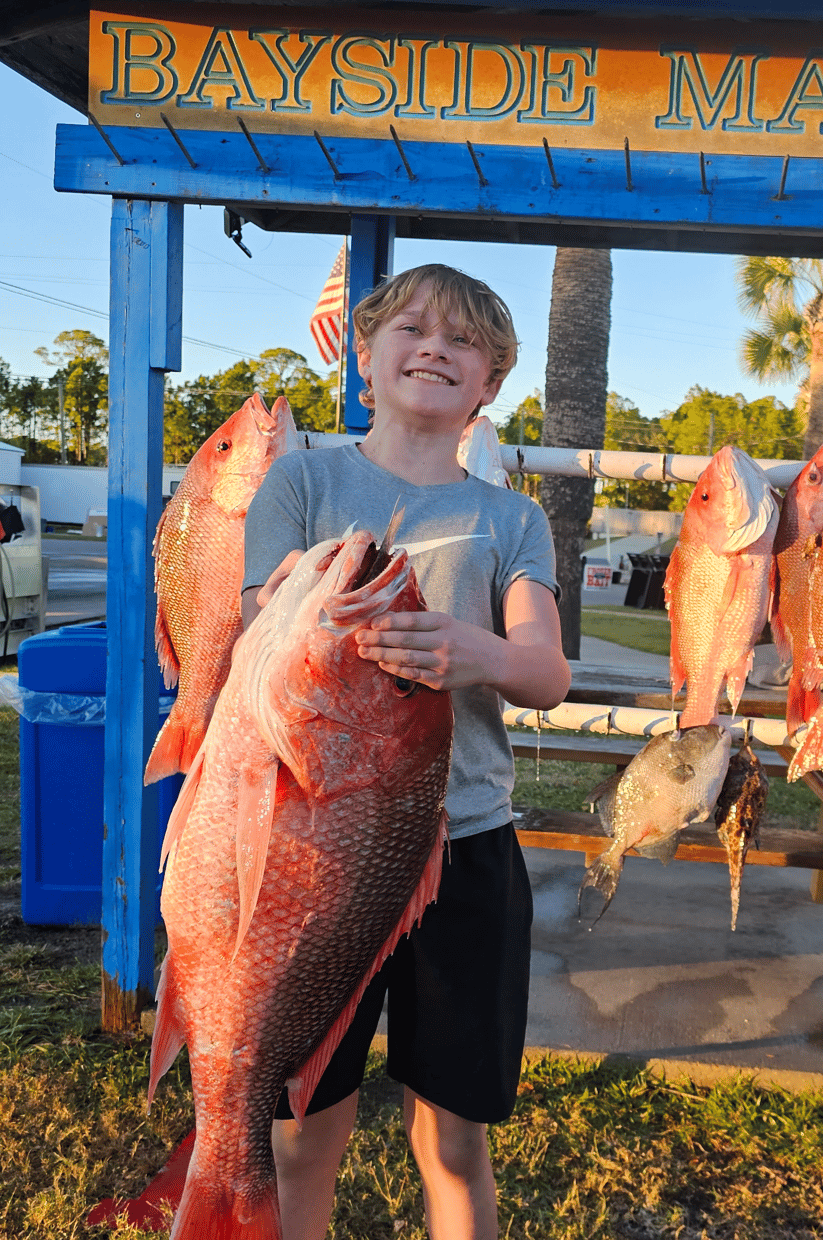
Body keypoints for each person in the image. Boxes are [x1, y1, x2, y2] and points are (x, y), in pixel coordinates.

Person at [240, 262, 572, 1240]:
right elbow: (255, 627)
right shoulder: (301, 482)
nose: (434, 348)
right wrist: (299, 602)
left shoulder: (513, 518)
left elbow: (546, 671)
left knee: (455, 1137)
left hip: (466, 848)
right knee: (302, 1130)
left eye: (463, 341)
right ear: (365, 359)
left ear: (489, 384)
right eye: (412, 329)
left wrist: (481, 653)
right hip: (317, 848)